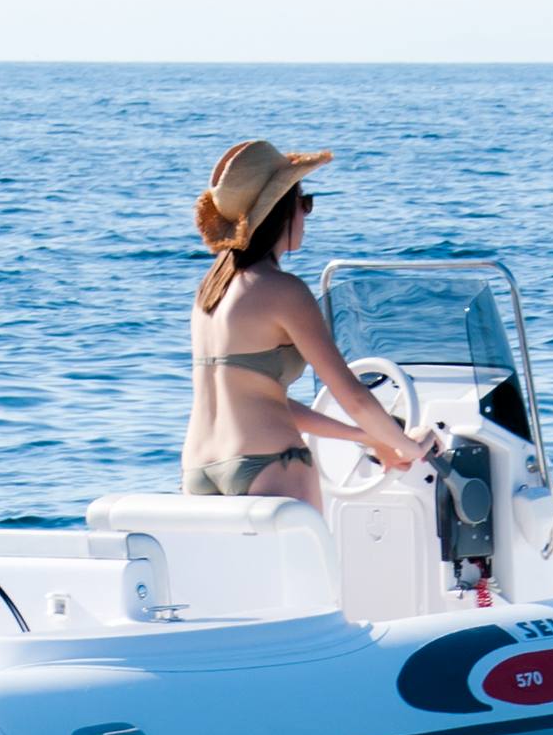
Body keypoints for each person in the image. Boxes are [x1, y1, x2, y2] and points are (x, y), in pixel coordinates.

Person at [182, 141, 431, 503]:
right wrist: (410, 446)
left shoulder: (209, 293)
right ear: (282, 210)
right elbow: (353, 397)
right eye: (305, 203)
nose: (306, 214)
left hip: (198, 469)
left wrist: (369, 438)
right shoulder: (284, 290)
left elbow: (264, 401)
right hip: (271, 464)